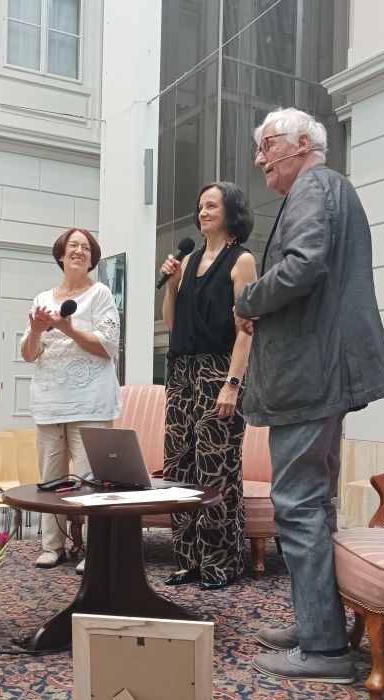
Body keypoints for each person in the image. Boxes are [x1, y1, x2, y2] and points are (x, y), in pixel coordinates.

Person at [234, 108, 384, 681]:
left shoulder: (312, 187)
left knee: (299, 505)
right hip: (321, 372)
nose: (260, 158)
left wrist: (249, 300)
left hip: (309, 374)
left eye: (267, 145)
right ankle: (317, 624)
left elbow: (303, 265)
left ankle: (325, 650)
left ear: (301, 143)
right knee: (314, 504)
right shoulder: (331, 188)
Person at [159, 182, 258, 590]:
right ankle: (188, 561)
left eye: (211, 206)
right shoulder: (188, 259)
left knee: (216, 471)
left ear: (231, 212)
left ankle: (221, 563)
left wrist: (233, 384)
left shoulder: (242, 261)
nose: (202, 212)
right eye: (200, 206)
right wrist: (171, 284)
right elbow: (171, 322)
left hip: (219, 371)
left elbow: (247, 331)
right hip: (181, 372)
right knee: (179, 470)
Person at [20, 228, 122, 572]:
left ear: (92, 259)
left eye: (86, 247)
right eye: (72, 246)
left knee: (92, 482)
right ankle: (53, 546)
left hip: (90, 402)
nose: (79, 251)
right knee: (51, 480)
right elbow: (29, 354)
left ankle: (95, 550)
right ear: (61, 255)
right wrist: (36, 331)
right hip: (49, 403)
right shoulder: (42, 297)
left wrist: (67, 329)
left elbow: (108, 346)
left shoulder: (100, 293)